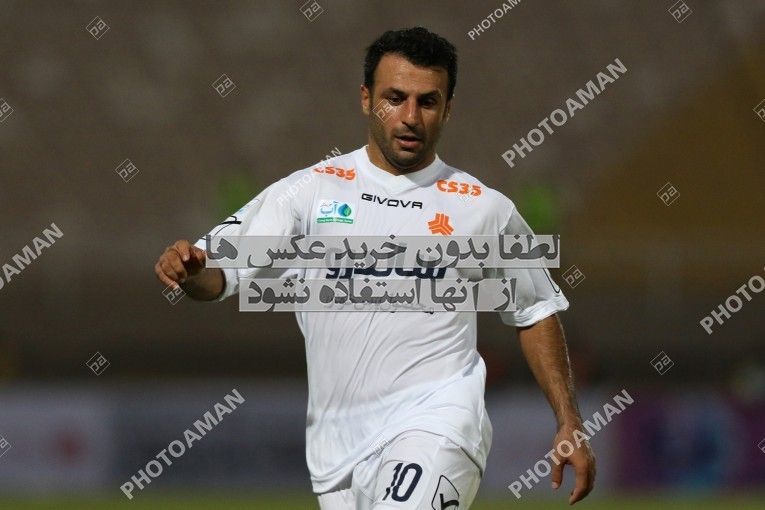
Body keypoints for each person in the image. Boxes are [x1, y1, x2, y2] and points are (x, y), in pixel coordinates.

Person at [154, 26, 595, 509]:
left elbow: (534, 310)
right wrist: (191, 271)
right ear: (367, 99)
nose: (411, 117)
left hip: (439, 426)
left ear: (448, 109)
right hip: (336, 457)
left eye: (428, 102)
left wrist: (568, 421)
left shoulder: (485, 209)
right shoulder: (307, 193)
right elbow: (220, 275)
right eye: (395, 98)